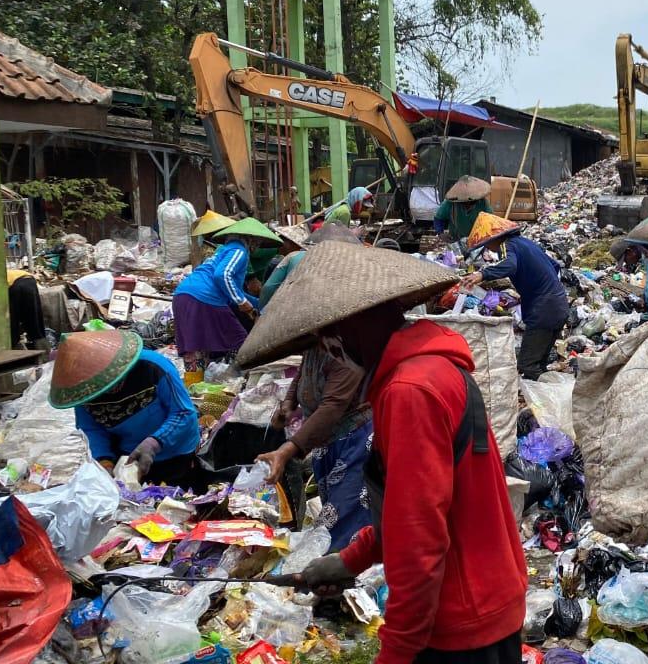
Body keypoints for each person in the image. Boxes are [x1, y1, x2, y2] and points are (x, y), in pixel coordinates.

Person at [238, 242, 526, 664]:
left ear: (347, 333)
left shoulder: (409, 392)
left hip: (460, 619)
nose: (330, 352)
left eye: (328, 342)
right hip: (489, 596)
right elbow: (416, 508)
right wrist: (350, 560)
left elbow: (419, 539)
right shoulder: (434, 366)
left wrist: (396, 652)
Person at [258, 332, 374, 551]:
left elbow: (332, 406)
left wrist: (287, 450)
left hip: (355, 442)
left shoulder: (343, 350)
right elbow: (302, 373)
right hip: (327, 444)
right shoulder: (314, 346)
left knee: (343, 522)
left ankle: (347, 564)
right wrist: (288, 404)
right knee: (332, 511)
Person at [49, 330, 200, 487]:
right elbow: (91, 428)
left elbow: (183, 412)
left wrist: (154, 443)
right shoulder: (82, 388)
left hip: (174, 452)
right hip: (128, 456)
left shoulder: (153, 367)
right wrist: (104, 460)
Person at [172, 217, 280, 385]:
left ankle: (194, 388)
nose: (257, 247)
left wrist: (259, 303)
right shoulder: (239, 250)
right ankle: (237, 383)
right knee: (240, 342)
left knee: (194, 346)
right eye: (257, 242)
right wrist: (241, 302)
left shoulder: (224, 250)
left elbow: (234, 289)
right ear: (250, 240)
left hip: (184, 295)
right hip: (205, 297)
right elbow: (222, 275)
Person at [459, 213, 568, 380]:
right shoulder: (526, 243)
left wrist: (482, 274)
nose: (489, 248)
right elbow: (554, 265)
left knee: (527, 366)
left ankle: (537, 393)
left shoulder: (507, 245)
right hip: (559, 304)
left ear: (494, 239)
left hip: (544, 310)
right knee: (539, 363)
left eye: (487, 244)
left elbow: (510, 265)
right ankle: (545, 391)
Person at [434, 176, 495, 242]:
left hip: (476, 239)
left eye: (471, 201)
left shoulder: (482, 202)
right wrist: (440, 233)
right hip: (455, 239)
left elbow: (491, 220)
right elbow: (439, 218)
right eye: (465, 202)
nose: (468, 204)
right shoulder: (450, 202)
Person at [6, 269, 47, 349]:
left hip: (16, 285)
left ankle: (15, 345)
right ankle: (42, 348)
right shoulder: (10, 272)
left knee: (13, 320)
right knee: (34, 319)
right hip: (30, 281)